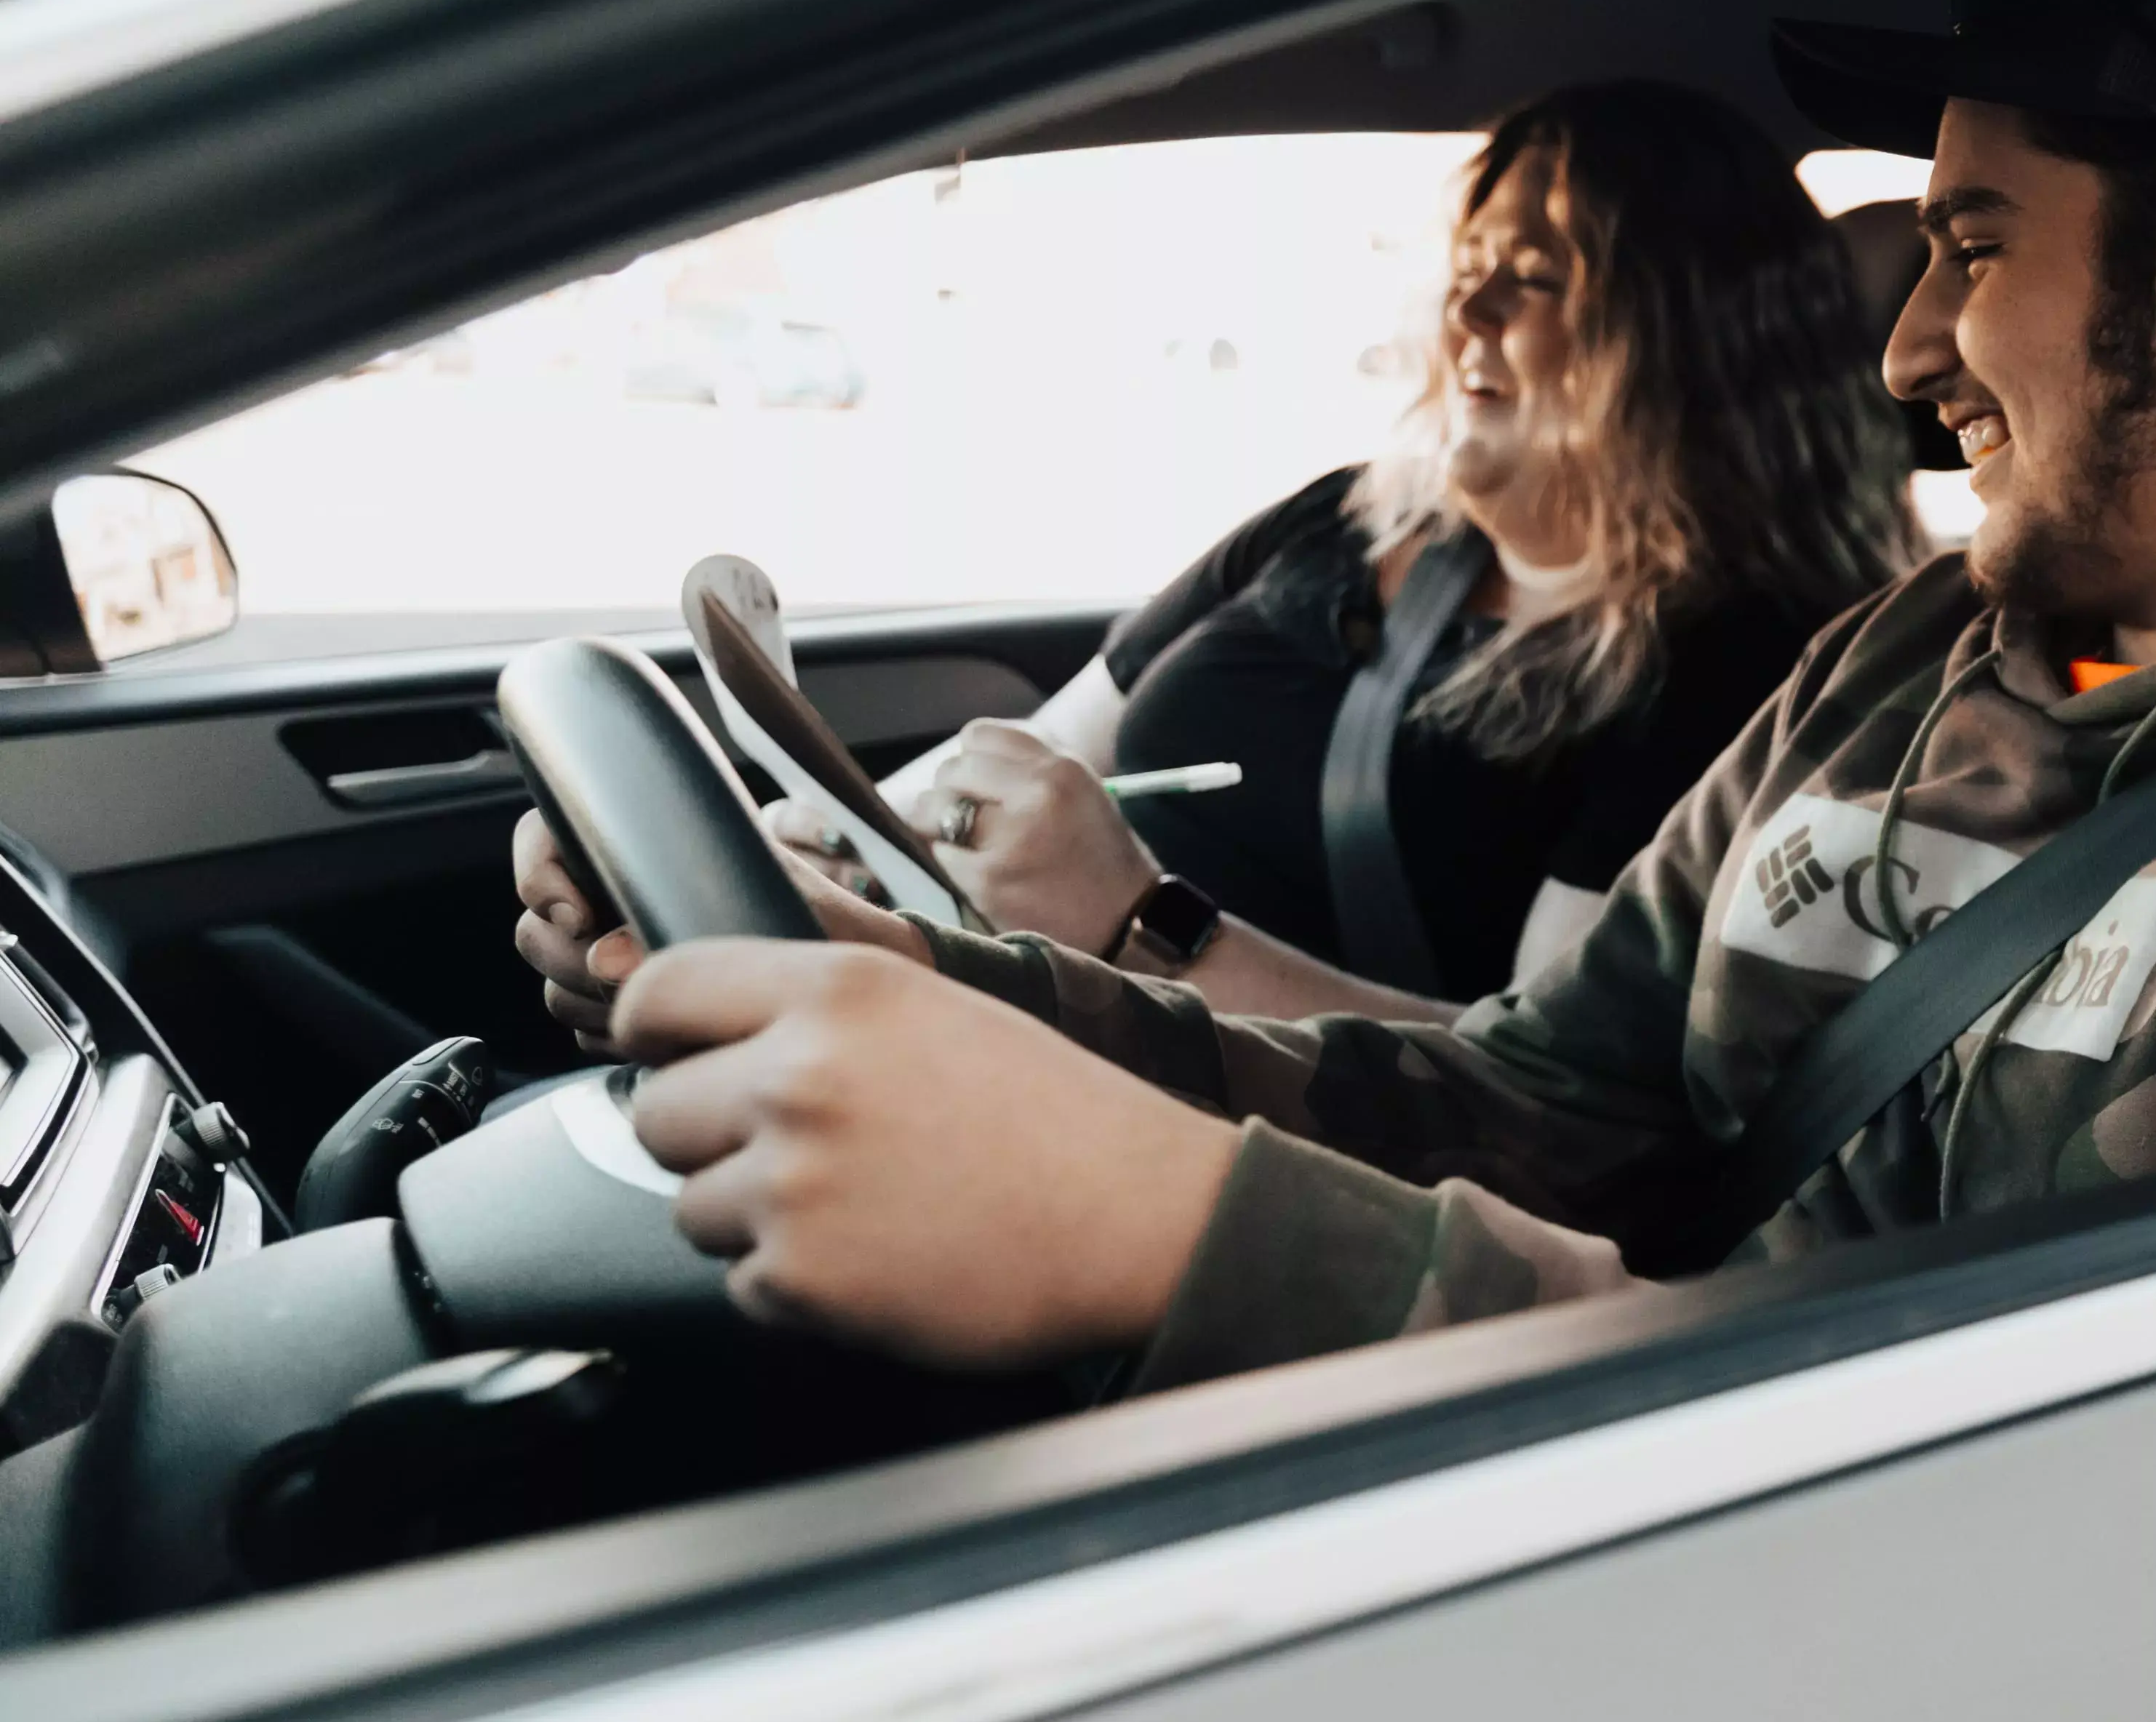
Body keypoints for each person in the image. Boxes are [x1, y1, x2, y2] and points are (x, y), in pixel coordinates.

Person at [539, 0, 2156, 1383]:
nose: (1901, 352)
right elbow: (1545, 1105)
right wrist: (961, 1003)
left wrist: (1186, 1242)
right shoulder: (1908, 663)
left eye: (1967, 243)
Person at [524, 81, 1915, 1037]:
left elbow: (1541, 1086)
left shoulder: (1737, 656)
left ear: (1687, 335)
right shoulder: (1343, 520)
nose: (1468, 305)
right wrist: (781, 858)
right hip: (1006, 1043)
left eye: (1538, 278)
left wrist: (1142, 923)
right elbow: (1007, 769)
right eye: (1467, 263)